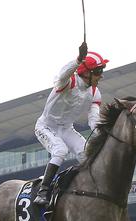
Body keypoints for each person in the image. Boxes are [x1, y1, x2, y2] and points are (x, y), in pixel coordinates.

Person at [33, 41, 109, 205]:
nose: (101, 75)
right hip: (46, 126)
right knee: (60, 149)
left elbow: (94, 120)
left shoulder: (95, 93)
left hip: (67, 129)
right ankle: (43, 191)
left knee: (87, 153)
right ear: (86, 73)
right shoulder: (68, 82)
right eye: (98, 71)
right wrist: (78, 59)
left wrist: (104, 134)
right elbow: (62, 75)